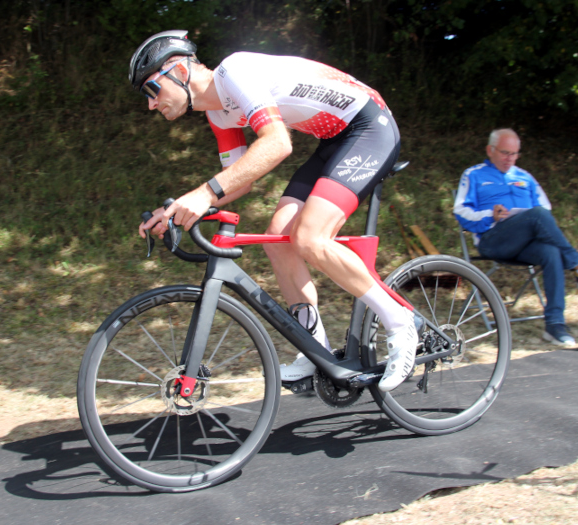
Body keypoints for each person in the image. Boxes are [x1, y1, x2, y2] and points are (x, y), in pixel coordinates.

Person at [132, 30, 416, 391]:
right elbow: (240, 181)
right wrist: (177, 207)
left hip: (369, 127)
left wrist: (204, 194)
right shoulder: (218, 114)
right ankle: (315, 351)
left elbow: (278, 143)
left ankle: (399, 319)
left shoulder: (234, 71)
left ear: (178, 70)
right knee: (278, 237)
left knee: (310, 237)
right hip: (334, 140)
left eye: (150, 90)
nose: (150, 105)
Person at [454, 129, 578, 345]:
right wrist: (490, 215)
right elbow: (460, 212)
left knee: (550, 250)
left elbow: (546, 208)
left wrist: (527, 220)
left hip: (525, 242)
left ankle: (555, 324)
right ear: (490, 150)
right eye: (505, 153)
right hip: (493, 240)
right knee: (537, 215)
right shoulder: (474, 174)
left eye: (515, 154)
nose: (510, 159)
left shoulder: (525, 177)